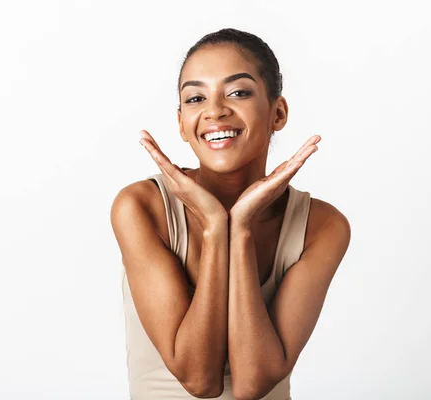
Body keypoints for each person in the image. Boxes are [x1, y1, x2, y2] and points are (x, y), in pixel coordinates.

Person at [111, 28, 351, 400]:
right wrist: (214, 228)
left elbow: (253, 385)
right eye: (195, 98)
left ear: (278, 112)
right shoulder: (141, 206)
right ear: (181, 124)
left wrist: (238, 229)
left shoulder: (323, 226)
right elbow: (198, 379)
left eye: (238, 92)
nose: (214, 111)